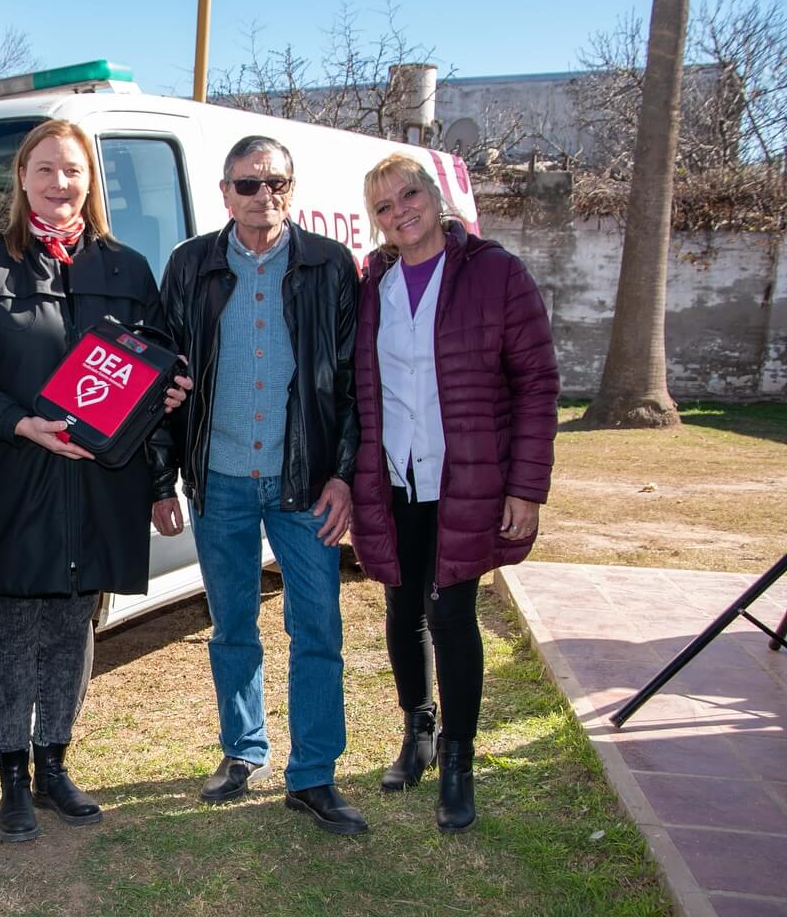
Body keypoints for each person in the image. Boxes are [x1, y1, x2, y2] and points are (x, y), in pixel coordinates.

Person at [0, 119, 186, 844]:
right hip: (16, 479)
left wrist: (162, 454)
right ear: (22, 178)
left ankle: (55, 765)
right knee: (13, 631)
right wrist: (20, 422)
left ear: (90, 180)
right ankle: (13, 777)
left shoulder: (129, 270)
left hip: (103, 486)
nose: (59, 182)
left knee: (74, 626)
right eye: (44, 169)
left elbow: (156, 373)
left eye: (72, 169)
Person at [157, 135, 366, 835]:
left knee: (318, 627)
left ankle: (313, 775)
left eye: (275, 182)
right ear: (225, 193)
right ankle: (243, 749)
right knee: (232, 627)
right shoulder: (190, 266)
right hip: (218, 481)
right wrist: (162, 478)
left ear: (291, 189)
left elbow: (353, 385)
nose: (262, 195)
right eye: (247, 184)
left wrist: (343, 475)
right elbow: (161, 380)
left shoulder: (329, 266)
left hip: (304, 484)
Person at [353, 153, 559, 832]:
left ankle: (458, 758)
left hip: (465, 477)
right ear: (375, 221)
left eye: (408, 194)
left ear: (435, 196)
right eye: (383, 206)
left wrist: (526, 486)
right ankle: (417, 730)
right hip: (395, 475)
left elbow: (537, 384)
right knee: (401, 606)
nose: (400, 211)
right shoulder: (373, 285)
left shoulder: (495, 273)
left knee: (451, 614)